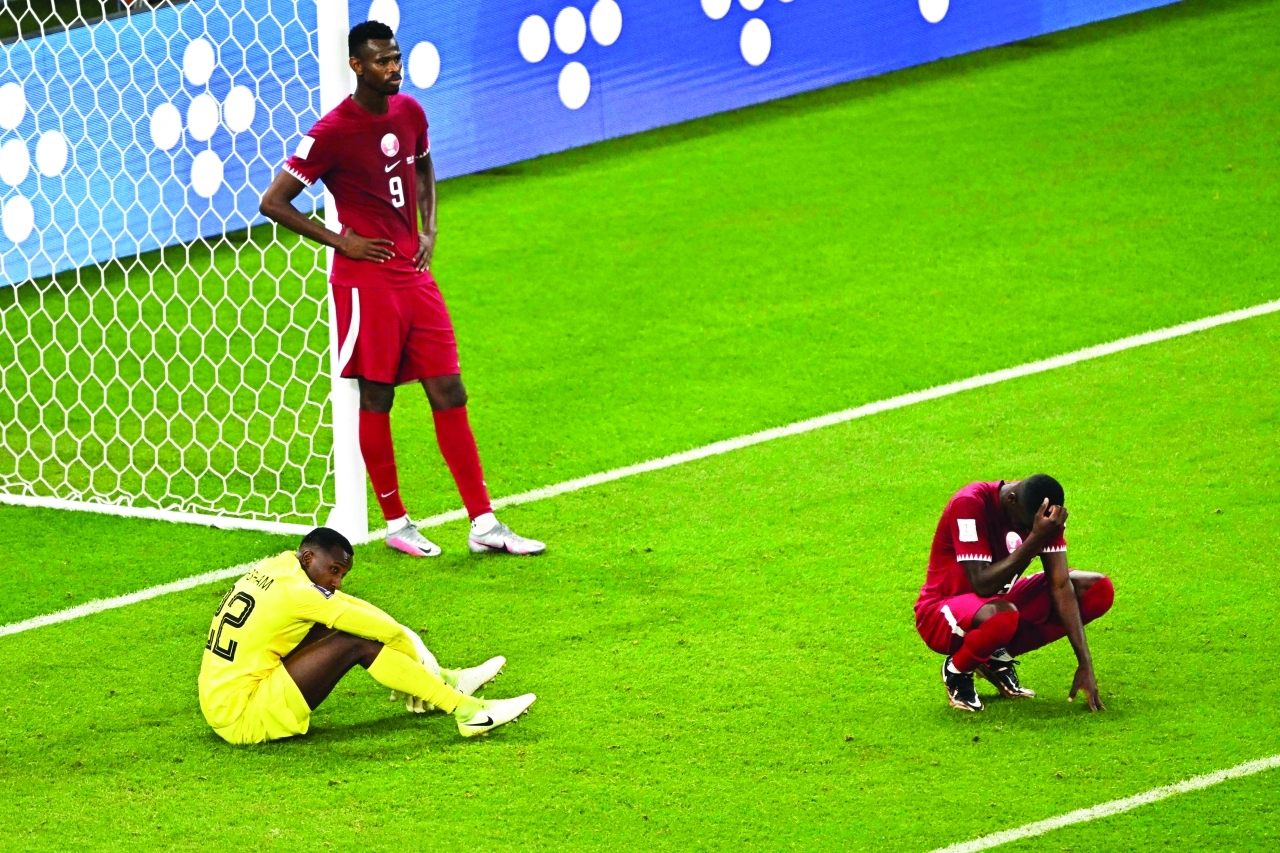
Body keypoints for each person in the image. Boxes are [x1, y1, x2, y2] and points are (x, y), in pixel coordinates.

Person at [259, 20, 543, 558]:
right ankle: (396, 522)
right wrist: (341, 242)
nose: (394, 68)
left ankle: (484, 523)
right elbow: (273, 202)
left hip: (414, 276)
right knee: (378, 396)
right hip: (366, 283)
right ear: (357, 66)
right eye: (382, 61)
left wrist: (428, 230)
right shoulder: (331, 131)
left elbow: (423, 168)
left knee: (450, 390)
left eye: (396, 58)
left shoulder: (410, 111)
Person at [198, 527, 536, 744]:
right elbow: (383, 631)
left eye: (342, 574)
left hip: (222, 702)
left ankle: (447, 681)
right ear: (309, 557)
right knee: (354, 641)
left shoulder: (277, 567)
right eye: (334, 570)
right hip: (244, 717)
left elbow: (348, 605)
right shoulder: (301, 593)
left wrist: (417, 658)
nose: (337, 582)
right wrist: (415, 652)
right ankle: (468, 712)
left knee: (335, 625)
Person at [914, 475, 1114, 712]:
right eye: (1025, 525)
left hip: (996, 607)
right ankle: (957, 670)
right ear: (1011, 499)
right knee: (1003, 616)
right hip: (940, 612)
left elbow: (1060, 585)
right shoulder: (969, 504)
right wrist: (1036, 538)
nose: (1027, 530)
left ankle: (994, 658)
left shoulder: (1045, 516)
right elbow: (982, 585)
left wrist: (1085, 662)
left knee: (1097, 590)